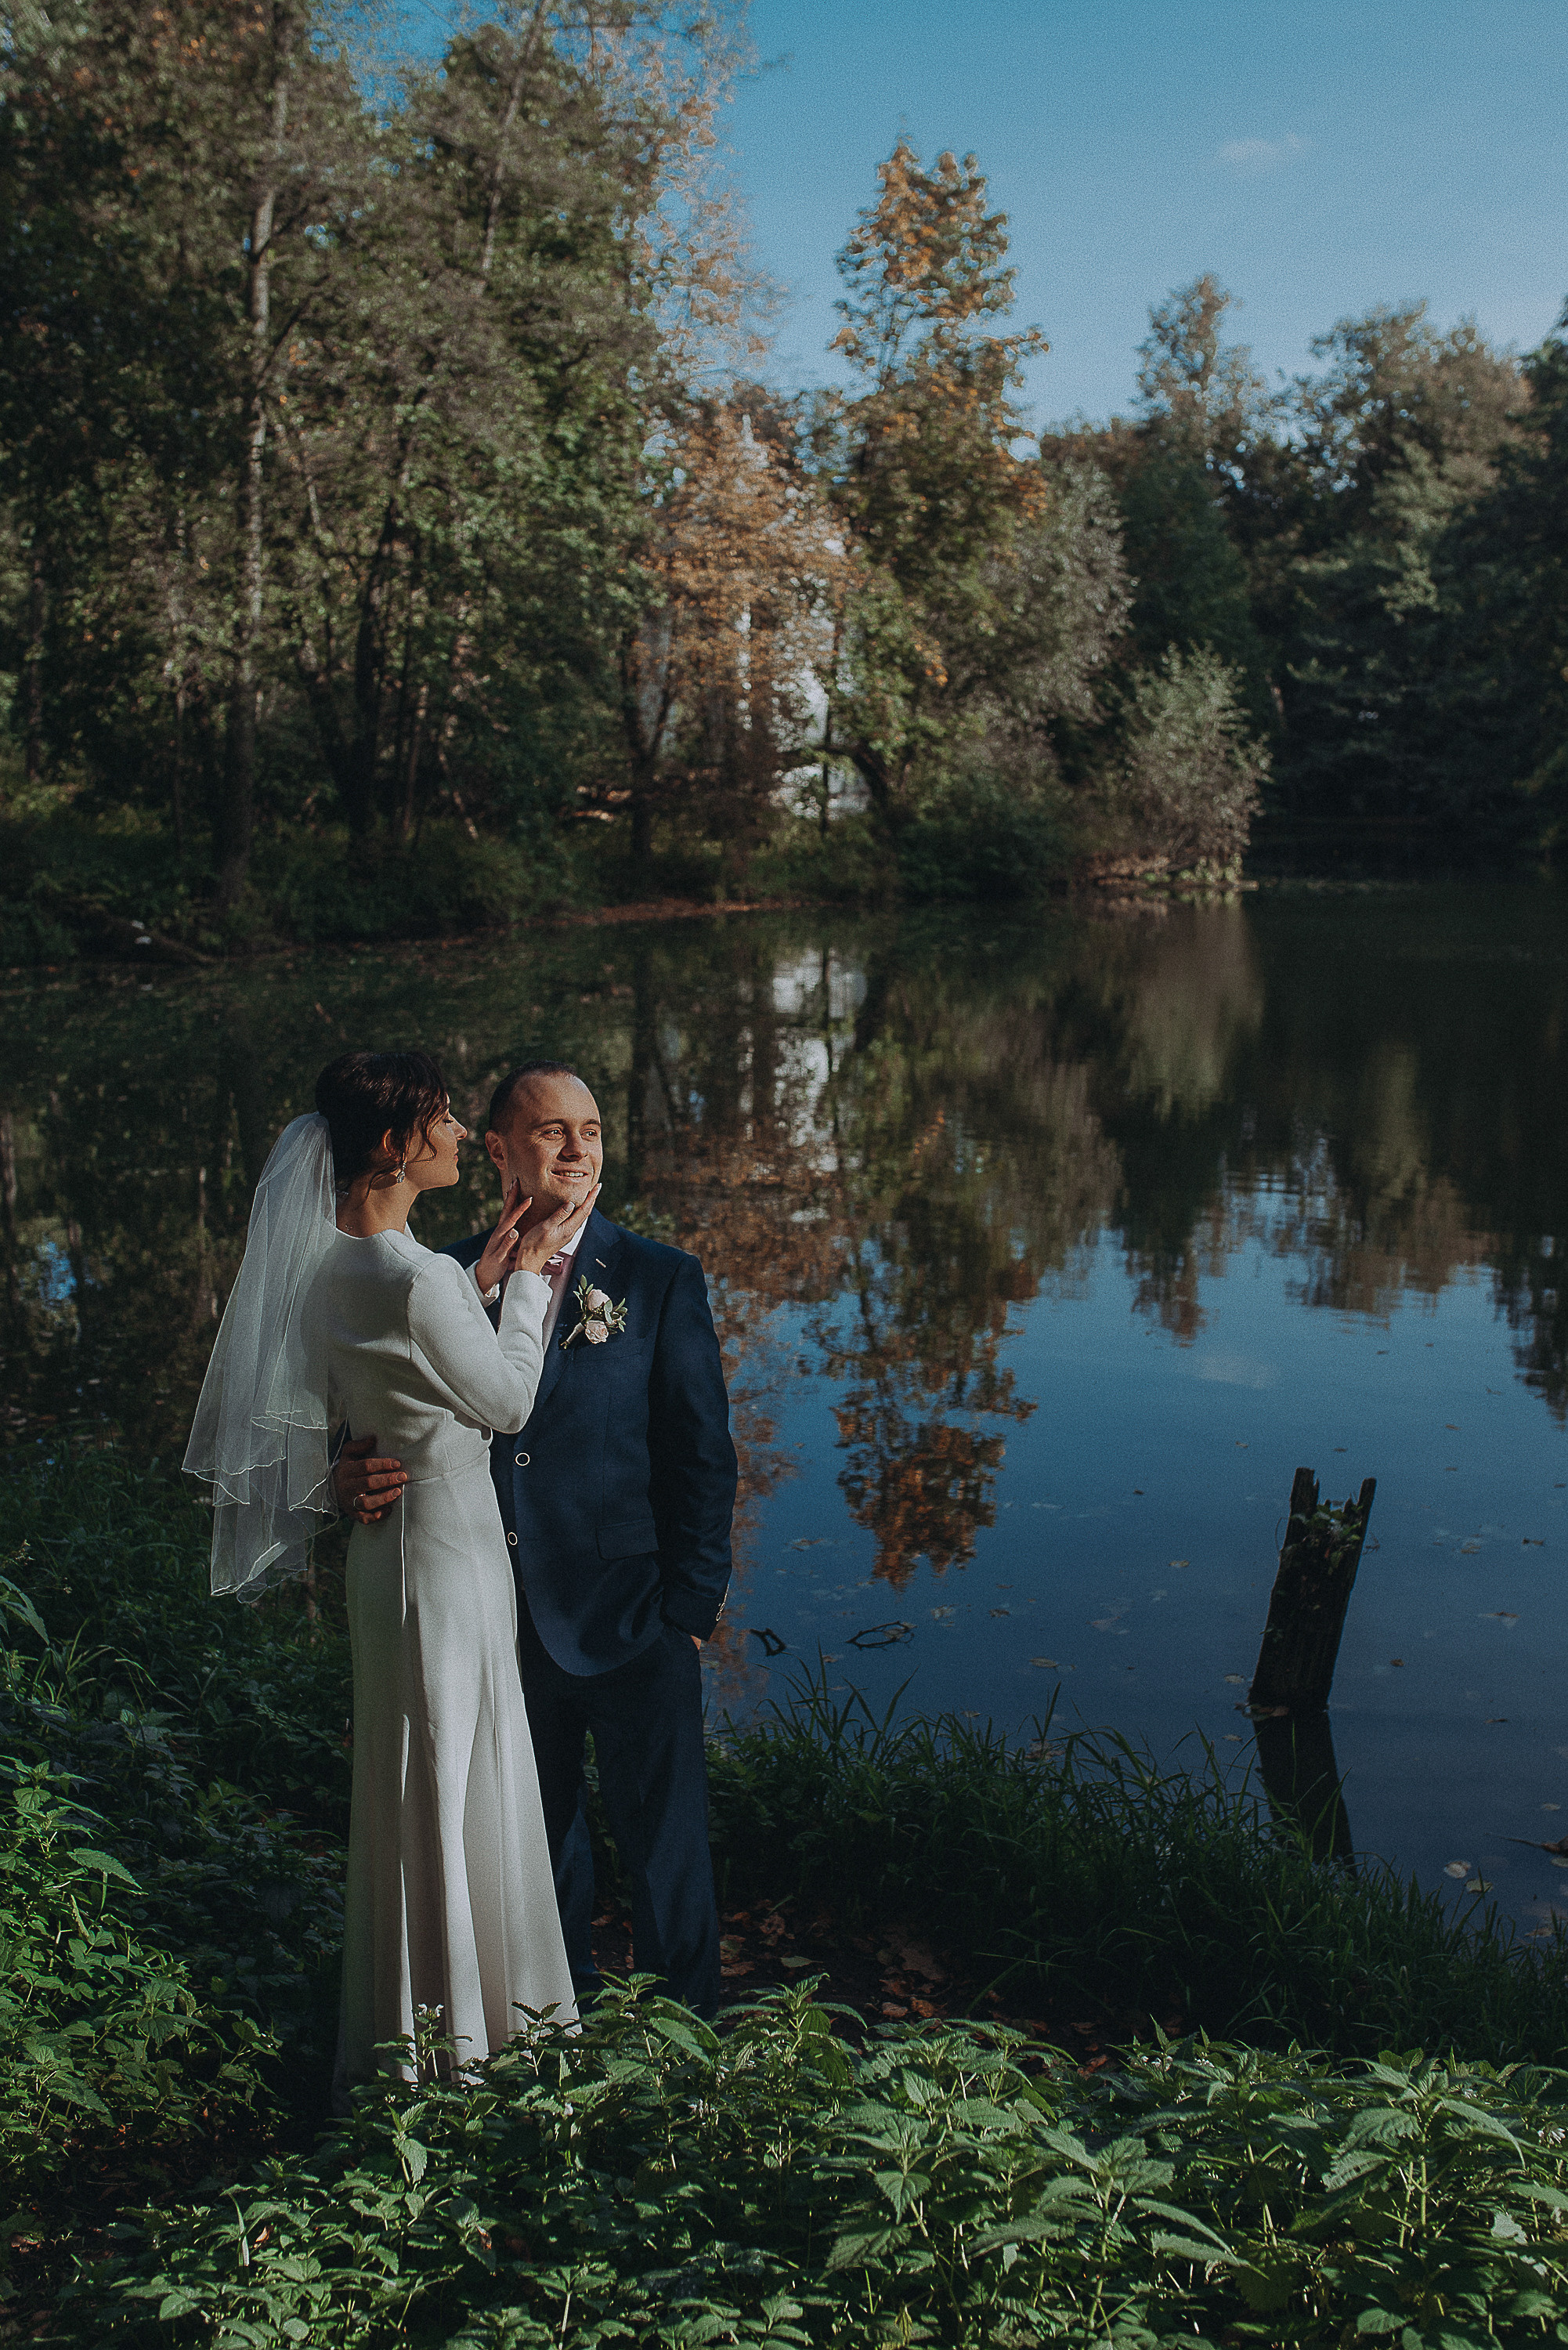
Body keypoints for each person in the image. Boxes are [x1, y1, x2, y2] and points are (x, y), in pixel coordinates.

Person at [186, 1050, 589, 2090]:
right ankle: (473, 2048)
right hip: (447, 1562)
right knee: (460, 1779)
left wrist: (479, 1283)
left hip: (387, 1558)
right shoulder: (416, 1279)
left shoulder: (325, 1262)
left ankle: (424, 2027)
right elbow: (503, 1405)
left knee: (418, 1783)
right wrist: (533, 1288)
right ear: (392, 1144)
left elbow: (354, 1392)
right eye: (445, 1120)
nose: (460, 1134)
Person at [341, 1059, 737, 2016]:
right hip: (493, 1615)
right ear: (498, 1151)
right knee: (528, 1845)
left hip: (631, 1615)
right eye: (551, 1130)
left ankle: (690, 2035)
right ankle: (552, 2029)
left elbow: (702, 1456)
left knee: (667, 1848)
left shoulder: (657, 1278)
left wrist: (686, 1608)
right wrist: (346, 1472)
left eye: (590, 1130)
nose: (575, 1146)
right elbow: (377, 1416)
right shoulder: (440, 1273)